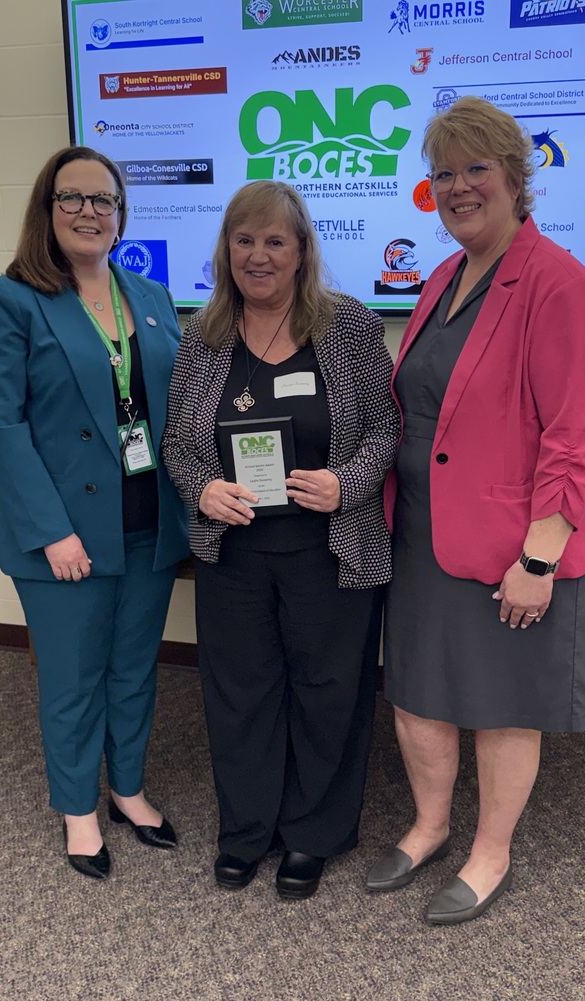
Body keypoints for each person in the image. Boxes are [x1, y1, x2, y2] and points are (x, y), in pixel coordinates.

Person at [366, 97, 585, 923]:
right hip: (424, 528)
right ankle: (431, 824)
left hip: (514, 539)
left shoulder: (558, 282)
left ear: (516, 176)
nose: (459, 186)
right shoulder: (444, 275)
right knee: (418, 692)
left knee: (504, 704)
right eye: (443, 173)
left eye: (476, 168)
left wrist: (539, 558)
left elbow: (577, 439)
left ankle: (490, 851)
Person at [162, 180, 399, 900]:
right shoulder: (202, 335)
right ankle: (247, 831)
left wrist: (346, 484)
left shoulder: (348, 324)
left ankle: (313, 835)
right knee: (240, 693)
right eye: (244, 240)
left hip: (331, 546)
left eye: (274, 241)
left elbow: (388, 429)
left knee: (330, 692)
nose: (258, 256)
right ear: (226, 250)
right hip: (233, 553)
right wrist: (201, 488)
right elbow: (177, 441)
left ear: (301, 251)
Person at [0, 146, 189, 879]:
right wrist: (51, 531)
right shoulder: (14, 298)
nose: (90, 212)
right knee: (72, 678)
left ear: (121, 215)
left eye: (104, 200)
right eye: (73, 198)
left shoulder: (150, 298)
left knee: (133, 670)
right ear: (47, 209)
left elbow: (178, 408)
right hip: (64, 535)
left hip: (146, 524)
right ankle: (79, 810)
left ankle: (126, 789)